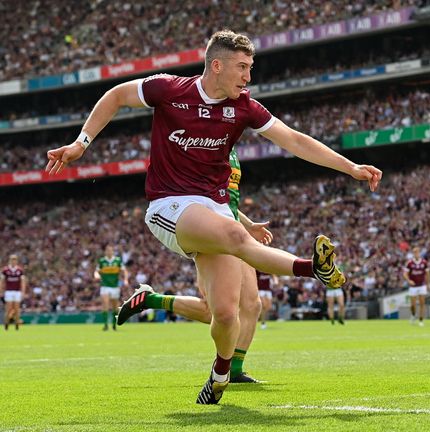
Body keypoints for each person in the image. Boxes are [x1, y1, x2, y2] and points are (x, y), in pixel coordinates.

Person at [45, 29, 382, 404]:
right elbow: (116, 95)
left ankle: (220, 374)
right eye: (242, 67)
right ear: (216, 65)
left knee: (224, 313)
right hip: (169, 206)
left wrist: (350, 167)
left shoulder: (244, 107)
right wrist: (81, 143)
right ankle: (311, 269)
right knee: (239, 239)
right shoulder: (169, 90)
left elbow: (295, 140)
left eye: (250, 68)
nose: (247, 77)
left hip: (215, 210)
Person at [117, 147, 268, 383]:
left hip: (234, 228)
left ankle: (235, 370)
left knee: (251, 305)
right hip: (214, 232)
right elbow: (203, 197)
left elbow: (225, 198)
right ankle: (151, 299)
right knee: (217, 312)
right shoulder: (207, 143)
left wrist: (247, 224)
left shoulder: (231, 148)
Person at [95, 245, 129, 331]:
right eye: (107, 251)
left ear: (113, 251)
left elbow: (124, 271)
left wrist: (125, 280)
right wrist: (97, 275)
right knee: (105, 305)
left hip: (115, 286)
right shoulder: (102, 261)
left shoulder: (117, 260)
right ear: (105, 252)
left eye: (110, 250)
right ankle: (106, 325)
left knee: (115, 307)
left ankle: (114, 325)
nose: (109, 252)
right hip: (105, 286)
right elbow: (96, 271)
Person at [403, 246, 429, 327]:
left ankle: (421, 320)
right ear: (413, 254)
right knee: (413, 305)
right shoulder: (409, 263)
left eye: (417, 252)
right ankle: (413, 315)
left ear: (419, 253)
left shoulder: (424, 262)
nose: (416, 254)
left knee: (422, 303)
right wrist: (408, 280)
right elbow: (405, 273)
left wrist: (428, 284)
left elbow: (427, 274)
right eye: (414, 252)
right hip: (413, 286)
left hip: (422, 285)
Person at [1, 255, 26, 331]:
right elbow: (2, 281)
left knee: (17, 309)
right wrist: (1, 291)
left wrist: (23, 292)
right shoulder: (5, 270)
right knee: (8, 309)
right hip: (9, 291)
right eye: (12, 260)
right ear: (10, 260)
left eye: (15, 260)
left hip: (17, 291)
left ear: (17, 261)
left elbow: (23, 282)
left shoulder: (20, 270)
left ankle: (17, 325)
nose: (13, 261)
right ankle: (6, 324)